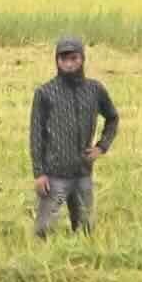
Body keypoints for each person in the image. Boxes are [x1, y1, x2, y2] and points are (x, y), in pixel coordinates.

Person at [28, 35, 119, 237]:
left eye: (73, 58)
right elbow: (36, 135)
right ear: (57, 60)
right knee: (44, 230)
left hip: (83, 173)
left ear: (82, 59)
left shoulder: (94, 90)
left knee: (85, 229)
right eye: (64, 58)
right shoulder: (45, 93)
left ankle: (81, 262)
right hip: (54, 175)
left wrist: (101, 147)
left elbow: (112, 118)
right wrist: (39, 173)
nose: (69, 63)